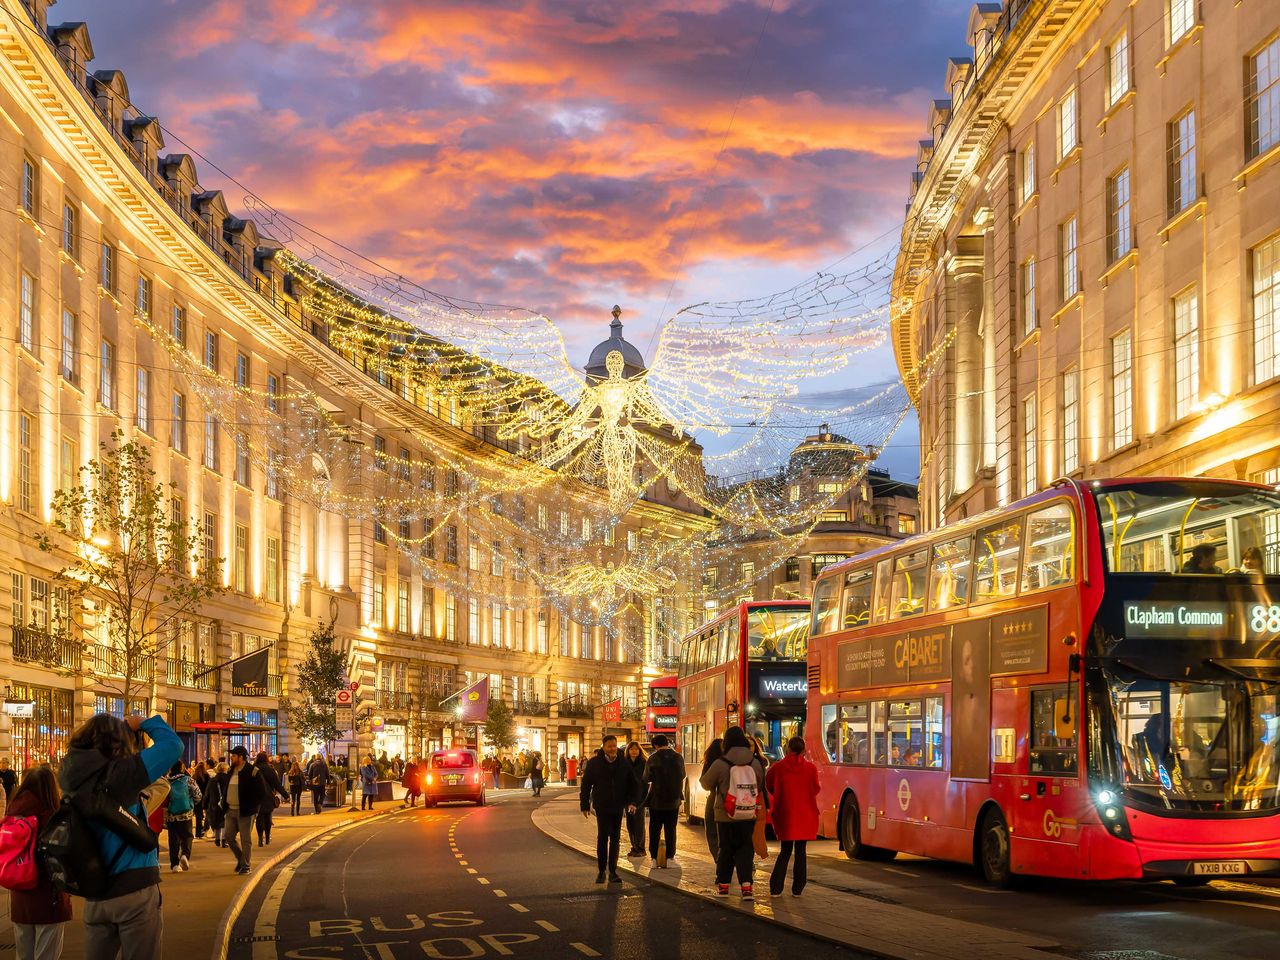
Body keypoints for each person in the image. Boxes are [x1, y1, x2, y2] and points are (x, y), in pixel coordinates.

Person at [59, 712, 182, 960]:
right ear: (118, 741)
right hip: (134, 890)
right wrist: (144, 723)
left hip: (95, 893)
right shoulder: (124, 772)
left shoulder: (69, 777)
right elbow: (172, 745)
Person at [7, 765, 72, 960]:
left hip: (20, 897)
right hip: (48, 897)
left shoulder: (13, 812)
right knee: (47, 955)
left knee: (23, 954)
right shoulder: (54, 815)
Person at [699, 726, 766, 900]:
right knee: (745, 848)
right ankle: (747, 888)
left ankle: (723, 887)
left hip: (725, 814)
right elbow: (760, 785)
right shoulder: (755, 763)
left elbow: (705, 784)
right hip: (748, 813)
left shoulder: (721, 763)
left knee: (726, 849)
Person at [579, 735, 642, 884]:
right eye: (609, 746)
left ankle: (613, 871)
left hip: (618, 805)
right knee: (602, 837)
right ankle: (601, 871)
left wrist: (632, 802)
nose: (613, 749)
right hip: (602, 805)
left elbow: (633, 784)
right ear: (604, 747)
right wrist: (585, 805)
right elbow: (586, 785)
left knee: (615, 838)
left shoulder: (623, 763)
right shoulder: (594, 763)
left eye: (614, 746)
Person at [765, 736, 820, 896]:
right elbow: (816, 788)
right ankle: (798, 888)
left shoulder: (778, 767)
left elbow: (769, 785)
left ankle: (776, 888)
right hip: (806, 814)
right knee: (801, 850)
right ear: (803, 750)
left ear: (788, 748)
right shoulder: (811, 768)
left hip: (786, 813)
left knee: (785, 850)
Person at [217, 746, 265, 874]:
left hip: (245, 812)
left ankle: (246, 865)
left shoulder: (252, 771)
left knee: (245, 839)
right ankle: (241, 859)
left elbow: (261, 792)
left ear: (241, 757)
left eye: (234, 756)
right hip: (230, 810)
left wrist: (253, 807)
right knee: (228, 836)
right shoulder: (231, 771)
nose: (231, 758)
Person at [642, 733, 685, 867]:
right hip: (674, 800)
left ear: (655, 745)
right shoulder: (678, 757)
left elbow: (646, 778)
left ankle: (654, 859)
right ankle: (670, 858)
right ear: (667, 742)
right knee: (670, 829)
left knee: (654, 829)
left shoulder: (652, 758)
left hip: (656, 801)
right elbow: (682, 775)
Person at [163, 760, 200, 873]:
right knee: (187, 836)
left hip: (171, 815)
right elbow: (198, 795)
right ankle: (185, 855)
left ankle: (174, 864)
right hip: (186, 814)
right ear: (182, 768)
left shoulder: (166, 782)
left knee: (173, 839)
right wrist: (191, 803)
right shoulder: (188, 780)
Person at [254, 752, 286, 846]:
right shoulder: (270, 769)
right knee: (267, 817)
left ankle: (260, 838)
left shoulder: (254, 769)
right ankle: (267, 837)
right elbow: (277, 784)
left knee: (259, 817)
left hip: (257, 797)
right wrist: (285, 795)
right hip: (268, 796)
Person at [623, 741, 647, 857]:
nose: (634, 751)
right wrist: (628, 802)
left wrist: (636, 802)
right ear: (628, 751)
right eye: (631, 749)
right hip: (627, 799)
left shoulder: (643, 763)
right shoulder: (624, 763)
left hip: (639, 799)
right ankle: (634, 847)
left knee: (639, 824)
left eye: (636, 749)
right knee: (630, 824)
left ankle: (641, 848)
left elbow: (643, 784)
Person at [204, 763, 227, 846]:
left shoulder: (212, 780)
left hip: (214, 803)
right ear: (225, 769)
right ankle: (224, 839)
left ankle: (217, 839)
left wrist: (205, 804)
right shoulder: (228, 779)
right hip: (225, 803)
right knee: (224, 822)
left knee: (217, 822)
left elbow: (207, 793)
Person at [191, 759, 210, 839]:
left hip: (197, 798)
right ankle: (205, 828)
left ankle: (198, 833)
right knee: (208, 814)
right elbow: (208, 788)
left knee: (198, 816)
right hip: (205, 797)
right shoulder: (207, 776)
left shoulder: (194, 776)